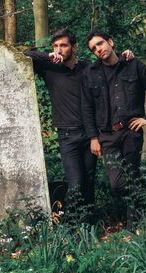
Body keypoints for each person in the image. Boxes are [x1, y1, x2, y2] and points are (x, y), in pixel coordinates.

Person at [24, 28, 134, 218]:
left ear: (73, 47)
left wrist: (126, 57)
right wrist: (48, 56)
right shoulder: (49, 68)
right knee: (76, 184)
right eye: (56, 46)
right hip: (67, 136)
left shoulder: (87, 69)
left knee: (89, 181)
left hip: (90, 134)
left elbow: (109, 65)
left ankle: (88, 224)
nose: (59, 50)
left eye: (64, 45)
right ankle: (72, 224)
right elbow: (25, 55)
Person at [81, 30, 146, 225]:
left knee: (132, 175)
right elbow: (87, 108)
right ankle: (145, 198)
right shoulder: (90, 74)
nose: (98, 49)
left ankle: (133, 224)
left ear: (111, 41)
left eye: (100, 44)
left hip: (131, 132)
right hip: (108, 136)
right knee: (117, 184)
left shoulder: (133, 65)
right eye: (93, 48)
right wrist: (93, 137)